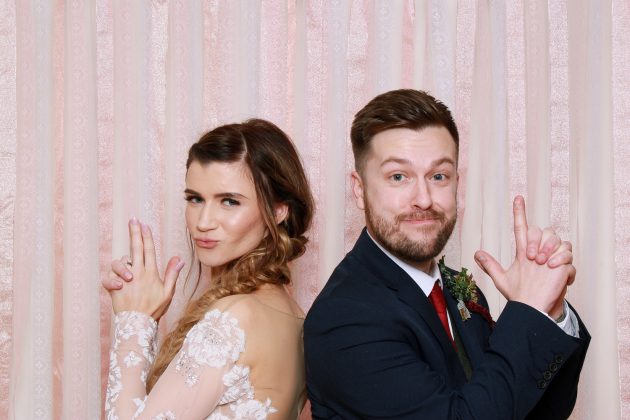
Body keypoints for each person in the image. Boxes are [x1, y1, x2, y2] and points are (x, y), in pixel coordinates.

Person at [304, 89, 590, 419]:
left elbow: (531, 410)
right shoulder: (344, 318)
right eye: (398, 177)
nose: (424, 199)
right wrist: (527, 311)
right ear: (360, 189)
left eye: (438, 176)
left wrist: (549, 311)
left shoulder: (458, 289)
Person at [102, 119, 314, 419]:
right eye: (195, 199)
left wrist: (134, 321)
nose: (203, 222)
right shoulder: (294, 316)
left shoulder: (236, 317)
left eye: (229, 201)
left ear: (278, 210)